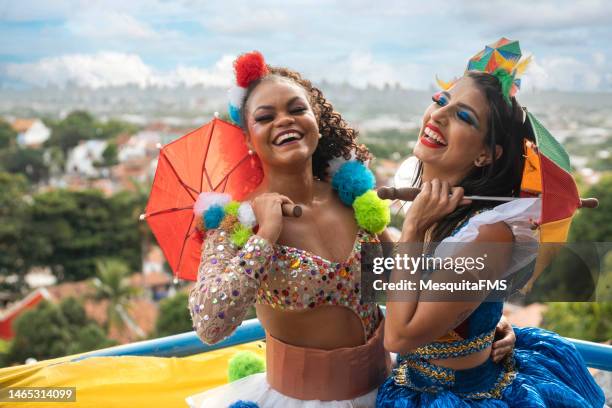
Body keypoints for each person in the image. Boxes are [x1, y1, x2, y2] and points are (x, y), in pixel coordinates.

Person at [186, 51, 516, 408]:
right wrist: (265, 237)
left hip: (389, 391)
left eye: (297, 109)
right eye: (266, 117)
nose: (284, 121)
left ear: (316, 120)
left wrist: (477, 327)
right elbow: (209, 324)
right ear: (248, 138)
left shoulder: (352, 197)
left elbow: (402, 285)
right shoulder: (238, 224)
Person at [376, 39, 605, 407]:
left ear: (486, 154)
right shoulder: (443, 211)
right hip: (410, 383)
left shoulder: (488, 235)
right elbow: (401, 280)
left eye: (464, 116)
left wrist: (413, 230)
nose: (438, 115)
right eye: (441, 100)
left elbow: (400, 337)